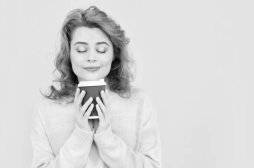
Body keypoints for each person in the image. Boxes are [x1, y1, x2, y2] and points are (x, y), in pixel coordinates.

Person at [30, 6, 162, 168]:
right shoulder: (46, 110)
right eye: (81, 50)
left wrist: (106, 137)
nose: (91, 57)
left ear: (114, 54)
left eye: (101, 50)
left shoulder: (140, 103)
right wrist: (81, 135)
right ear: (69, 54)